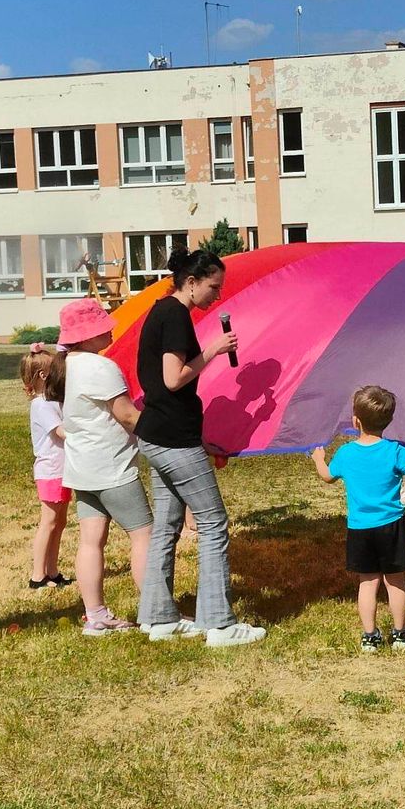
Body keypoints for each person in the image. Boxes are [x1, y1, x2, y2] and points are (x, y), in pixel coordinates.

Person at [134, 245, 264, 647]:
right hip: (173, 438)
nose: (217, 296)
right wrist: (212, 351)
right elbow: (173, 379)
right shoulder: (174, 315)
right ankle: (219, 624)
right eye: (213, 286)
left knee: (167, 526)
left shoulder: (161, 311)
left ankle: (158, 618)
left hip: (155, 434)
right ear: (191, 282)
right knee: (212, 522)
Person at [51, 299, 152, 636]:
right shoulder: (100, 367)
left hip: (82, 467)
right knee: (143, 535)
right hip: (112, 467)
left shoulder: (65, 366)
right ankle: (157, 612)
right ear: (88, 333)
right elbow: (125, 414)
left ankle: (95, 616)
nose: (111, 327)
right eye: (103, 324)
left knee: (91, 541)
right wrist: (160, 433)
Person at [311, 386, 405, 652]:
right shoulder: (395, 451)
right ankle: (400, 634)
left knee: (368, 582)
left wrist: (319, 459)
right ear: (388, 421)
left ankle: (370, 636)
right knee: (395, 580)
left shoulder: (345, 454)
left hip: (360, 528)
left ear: (356, 421)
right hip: (391, 527)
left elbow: (328, 476)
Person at [20, 343, 72, 590]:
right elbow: (61, 432)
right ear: (43, 375)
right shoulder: (41, 404)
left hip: (62, 469)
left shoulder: (53, 401)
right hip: (51, 470)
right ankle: (37, 575)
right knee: (49, 521)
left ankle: (52, 571)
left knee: (59, 521)